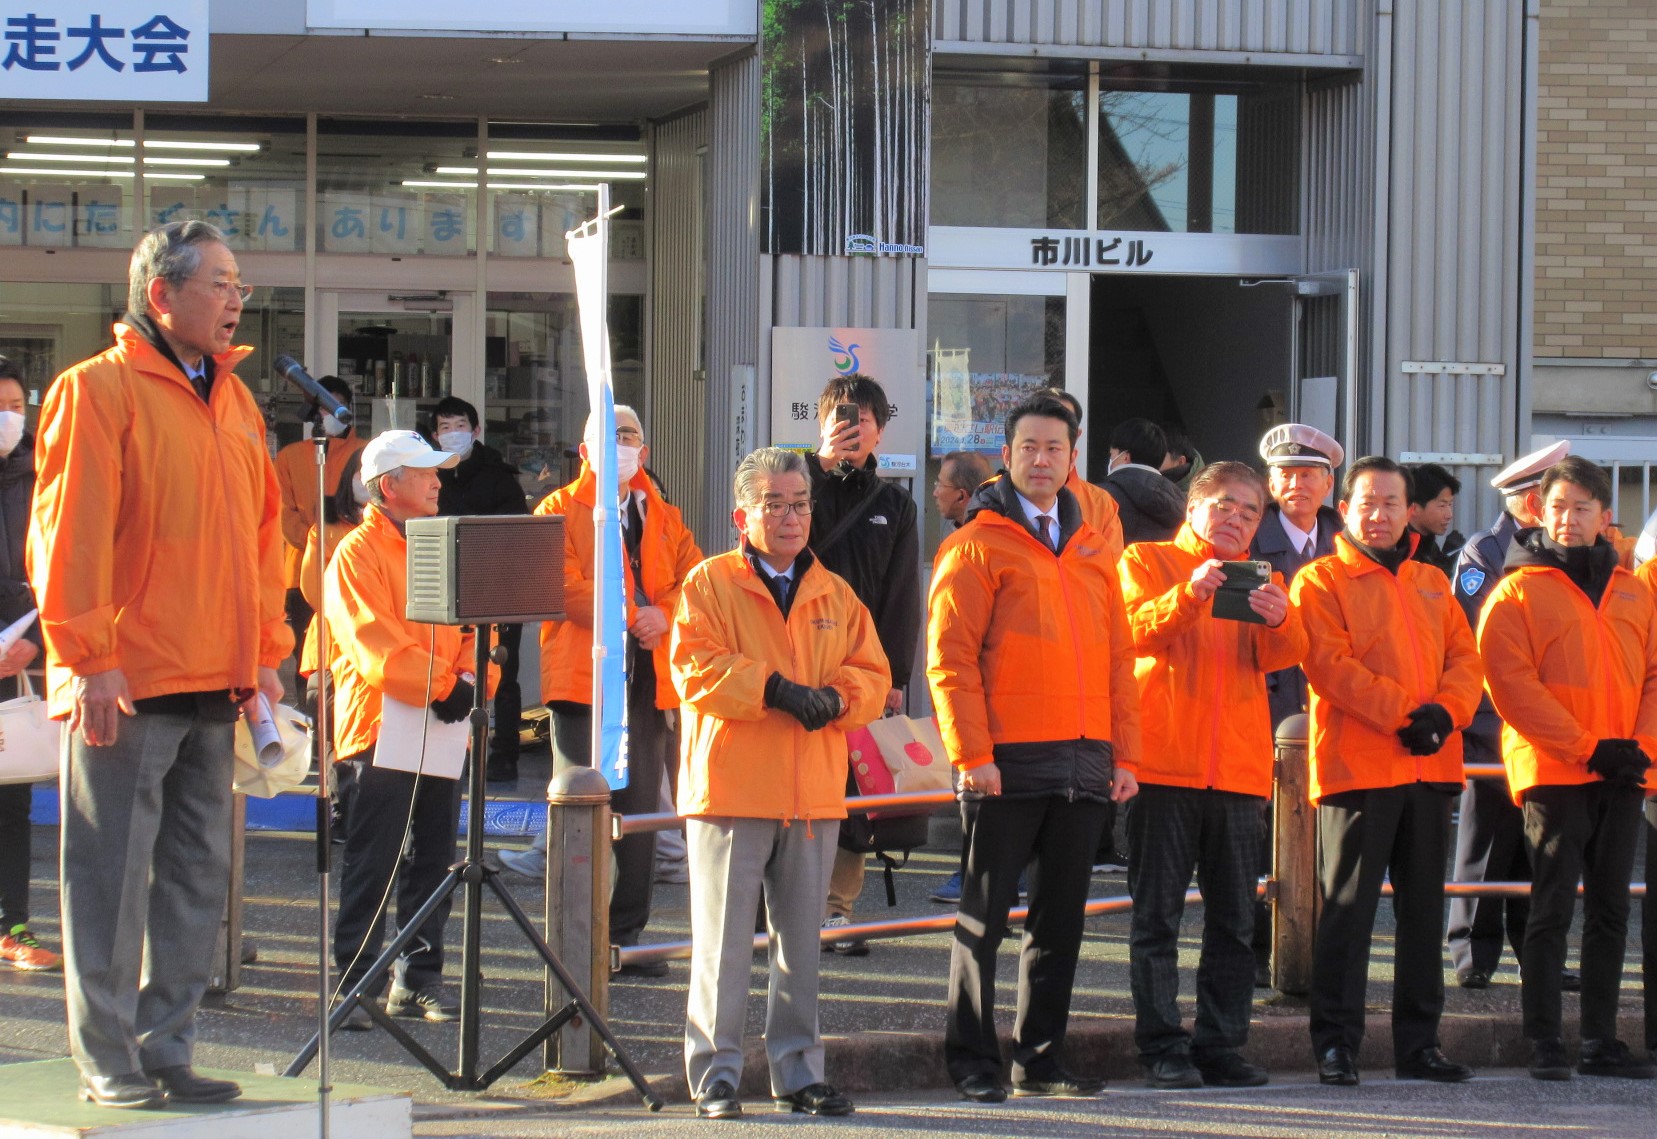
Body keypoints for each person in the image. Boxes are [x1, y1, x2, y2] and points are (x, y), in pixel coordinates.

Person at [29, 220, 291, 1109]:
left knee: (191, 874)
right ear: (161, 295)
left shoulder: (236, 399)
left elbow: (264, 541)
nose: (234, 299)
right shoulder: (96, 390)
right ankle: (109, 1055)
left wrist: (266, 651)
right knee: (108, 874)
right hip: (128, 678)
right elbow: (68, 536)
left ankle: (165, 1043)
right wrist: (90, 657)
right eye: (219, 282)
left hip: (217, 672)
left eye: (238, 284)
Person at [928, 394, 1141, 1105]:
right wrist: (972, 755)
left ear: (1073, 458)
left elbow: (1119, 660)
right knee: (982, 919)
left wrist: (1125, 756)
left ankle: (1040, 1057)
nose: (1042, 459)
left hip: (1084, 760)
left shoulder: (1092, 548)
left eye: (1055, 447)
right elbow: (949, 662)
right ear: (1007, 455)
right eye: (1029, 447)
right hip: (1005, 760)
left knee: (1059, 922)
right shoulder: (976, 544)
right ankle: (971, 1058)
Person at [672, 446, 889, 1120]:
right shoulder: (707, 582)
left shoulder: (835, 590)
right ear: (743, 514)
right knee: (722, 945)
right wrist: (771, 688)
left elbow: (873, 674)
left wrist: (836, 696)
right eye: (774, 503)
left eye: (799, 502)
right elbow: (692, 667)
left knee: (802, 947)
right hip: (732, 788)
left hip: (812, 790)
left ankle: (797, 1073)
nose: (791, 515)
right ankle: (715, 1074)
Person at [1292, 456, 1482, 1088]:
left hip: (1430, 765)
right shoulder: (1319, 580)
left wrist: (1444, 715)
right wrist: (1409, 715)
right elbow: (1328, 664)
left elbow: (1466, 659)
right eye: (1366, 503)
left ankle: (1419, 1045)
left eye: (1391, 504)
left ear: (1409, 513)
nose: (1378, 515)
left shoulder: (1432, 580)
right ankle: (1336, 1045)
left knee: (1424, 914)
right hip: (1358, 768)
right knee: (1347, 912)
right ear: (1343, 510)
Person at [1119, 461, 1306, 1090]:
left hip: (1238, 771)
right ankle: (1162, 1046)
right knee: (1157, 919)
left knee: (1233, 920)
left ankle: (1222, 1044)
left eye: (1251, 512)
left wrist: (1282, 619)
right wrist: (1190, 594)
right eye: (1225, 505)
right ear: (1194, 508)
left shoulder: (1264, 575)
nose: (1236, 519)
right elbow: (1133, 635)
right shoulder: (1147, 560)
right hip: (1163, 765)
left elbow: (1281, 660)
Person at [499, 405, 701, 978]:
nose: (622, 445)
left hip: (649, 676)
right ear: (584, 451)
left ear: (647, 450)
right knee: (582, 809)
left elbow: (696, 581)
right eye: (609, 437)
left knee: (639, 810)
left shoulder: (663, 512)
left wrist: (663, 613)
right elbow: (557, 586)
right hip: (582, 680)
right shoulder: (558, 509)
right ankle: (577, 938)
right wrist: (631, 610)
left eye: (631, 435)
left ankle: (626, 935)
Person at [1478, 455, 1657, 1081]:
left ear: (1606, 517)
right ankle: (1545, 1039)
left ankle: (1601, 1040)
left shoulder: (1634, 589)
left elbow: (1656, 675)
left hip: (1623, 769)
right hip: (1556, 770)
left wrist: (1639, 746)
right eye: (1557, 506)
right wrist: (1588, 746)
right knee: (1551, 906)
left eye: (1582, 507)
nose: (1569, 518)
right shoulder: (1515, 590)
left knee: (1611, 908)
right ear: (1538, 511)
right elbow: (1512, 687)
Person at [325, 429, 497, 1030]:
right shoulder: (354, 552)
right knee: (375, 858)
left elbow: (479, 628)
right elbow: (373, 641)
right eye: (425, 473)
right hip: (380, 725)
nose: (437, 481)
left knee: (434, 858)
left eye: (436, 472)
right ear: (388, 486)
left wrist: (473, 682)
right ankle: (356, 982)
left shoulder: (438, 543)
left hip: (439, 719)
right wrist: (450, 686)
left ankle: (417, 979)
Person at [1447, 441, 1576, 991]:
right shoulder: (1485, 551)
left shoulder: (1556, 552)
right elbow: (1472, 635)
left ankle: (1537, 955)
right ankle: (1473, 956)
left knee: (1539, 847)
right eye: (1551, 498)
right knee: (1487, 842)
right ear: (1529, 501)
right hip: (1491, 723)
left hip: (1546, 724)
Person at [809, 375, 920, 954]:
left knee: (853, 795)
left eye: (865, 422)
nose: (855, 431)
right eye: (843, 420)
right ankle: (774, 908)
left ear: (881, 430)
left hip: (860, 669)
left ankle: (835, 909)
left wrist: (896, 677)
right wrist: (821, 466)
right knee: (790, 784)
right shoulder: (795, 481)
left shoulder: (895, 503)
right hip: (793, 660)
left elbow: (903, 595)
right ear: (823, 423)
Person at [1248, 421, 1345, 985]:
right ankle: (1265, 951)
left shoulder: (1344, 542)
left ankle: (1322, 953)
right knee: (1266, 843)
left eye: (1309, 474)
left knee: (1329, 840)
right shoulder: (1250, 542)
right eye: (1285, 474)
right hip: (1268, 709)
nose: (1297, 484)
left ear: (1328, 484)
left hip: (1332, 708)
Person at [430, 395, 531, 785]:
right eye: (444, 428)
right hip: (445, 590)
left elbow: (519, 534)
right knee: (450, 672)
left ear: (475, 431)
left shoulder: (498, 476)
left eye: (459, 426)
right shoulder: (430, 474)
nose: (452, 434)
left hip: (498, 588)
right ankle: (459, 751)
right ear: (433, 435)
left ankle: (505, 754)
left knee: (502, 673)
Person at [0, 357, 57, 972]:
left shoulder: (39, 481)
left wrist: (36, 640)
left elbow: (58, 567)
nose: (7, 417)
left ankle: (12, 925)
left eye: (16, 405)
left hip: (15, 650)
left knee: (9, 797)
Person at [273, 374, 364, 653]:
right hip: (303, 571)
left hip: (357, 566)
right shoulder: (290, 457)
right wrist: (316, 538)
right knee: (308, 656)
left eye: (337, 405)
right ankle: (309, 698)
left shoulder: (363, 452)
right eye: (324, 406)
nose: (331, 413)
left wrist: (340, 542)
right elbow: (283, 514)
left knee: (353, 647)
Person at [1101, 417, 1184, 544]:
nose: (1111, 460)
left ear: (1125, 457)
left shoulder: (1100, 496)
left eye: (1112, 454)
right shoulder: (1182, 499)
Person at [1407, 462, 1465, 578]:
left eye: (1450, 504)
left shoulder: (1429, 544)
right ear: (1414, 508)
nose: (1449, 515)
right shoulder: (1401, 551)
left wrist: (1450, 556)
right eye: (1442, 505)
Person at [932, 450, 992, 529]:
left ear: (961, 496)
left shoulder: (968, 539)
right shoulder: (1001, 526)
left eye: (940, 485)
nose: (935, 493)